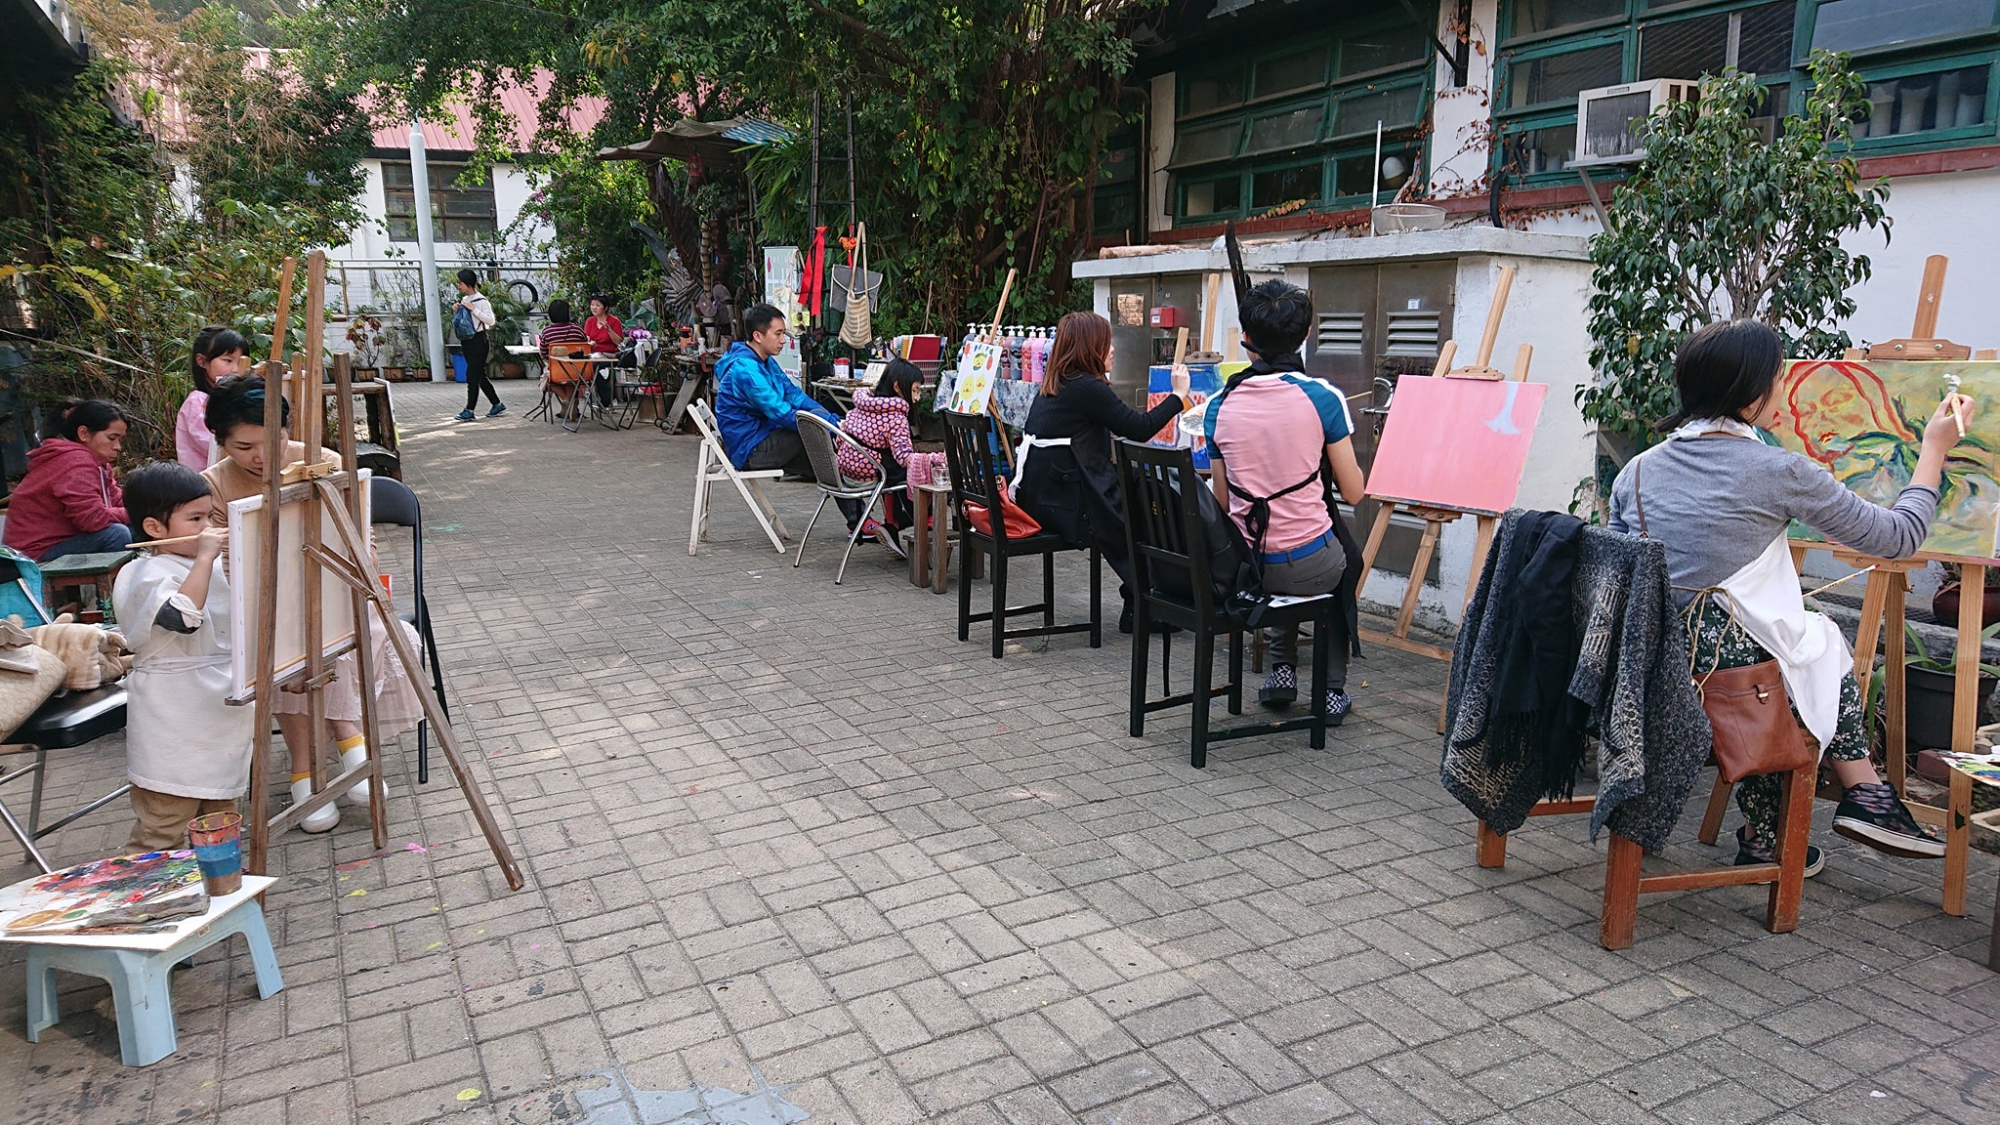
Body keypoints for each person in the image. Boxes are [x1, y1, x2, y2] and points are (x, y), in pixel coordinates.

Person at [1607, 319, 1965, 872]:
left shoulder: (1635, 471)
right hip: (1727, 681)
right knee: (1810, 646)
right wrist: (1934, 449)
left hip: (1644, 668)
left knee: (1795, 641)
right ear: (1751, 391)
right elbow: (1897, 538)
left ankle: (1797, 822)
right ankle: (1855, 797)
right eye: (1778, 376)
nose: (1784, 386)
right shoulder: (1779, 471)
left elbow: (1624, 574)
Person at [204, 376, 425, 833]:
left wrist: (347, 569)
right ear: (220, 441)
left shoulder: (323, 462)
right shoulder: (214, 485)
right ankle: (334, 751)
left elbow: (362, 545)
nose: (261, 456)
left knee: (331, 630)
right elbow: (228, 569)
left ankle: (317, 762)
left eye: (274, 440)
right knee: (281, 645)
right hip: (263, 606)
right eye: (244, 447)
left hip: (337, 592)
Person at [1204, 280, 1365, 722]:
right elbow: (1353, 492)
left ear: (1247, 338)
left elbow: (1222, 504)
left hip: (1246, 569)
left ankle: (1282, 672)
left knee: (1281, 546)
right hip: (1308, 567)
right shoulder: (1323, 398)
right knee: (1343, 559)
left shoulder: (1219, 405)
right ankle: (1331, 689)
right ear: (1306, 333)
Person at [1013, 311, 1188, 633]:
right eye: (1106, 343)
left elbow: (1119, 424)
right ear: (1089, 348)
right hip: (1064, 505)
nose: (1113, 349)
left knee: (1143, 494)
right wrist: (1178, 395)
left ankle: (1142, 602)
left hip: (1042, 496)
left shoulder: (1059, 382)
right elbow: (1139, 428)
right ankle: (1147, 603)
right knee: (1151, 506)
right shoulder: (1086, 387)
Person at [111, 463, 255, 850]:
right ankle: (145, 887)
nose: (207, 528)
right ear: (154, 528)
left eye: (209, 516)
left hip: (215, 710)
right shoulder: (143, 573)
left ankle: (218, 885)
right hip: (172, 716)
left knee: (220, 823)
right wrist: (206, 558)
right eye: (195, 519)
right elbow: (183, 618)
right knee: (164, 826)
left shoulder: (203, 564)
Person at [715, 303, 840, 478]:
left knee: (827, 452)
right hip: (749, 449)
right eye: (778, 334)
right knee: (815, 438)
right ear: (758, 336)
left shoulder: (765, 360)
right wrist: (829, 427)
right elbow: (781, 413)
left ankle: (843, 485)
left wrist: (827, 419)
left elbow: (793, 395)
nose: (783, 340)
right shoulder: (745, 370)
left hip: (764, 434)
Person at [3, 400, 132, 563]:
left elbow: (117, 499)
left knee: (143, 525)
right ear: (84, 434)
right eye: (111, 438)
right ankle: (118, 580)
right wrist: (135, 513)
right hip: (34, 554)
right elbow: (93, 519)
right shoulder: (75, 463)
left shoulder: (97, 464)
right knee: (116, 534)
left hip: (66, 541)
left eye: (120, 440)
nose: (118, 446)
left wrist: (150, 508)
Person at [837, 358, 923, 557]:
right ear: (897, 387)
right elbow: (903, 457)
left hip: (847, 473)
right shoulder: (896, 416)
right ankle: (909, 523)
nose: (917, 398)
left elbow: (841, 437)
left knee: (895, 469)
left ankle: (892, 526)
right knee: (918, 475)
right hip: (871, 475)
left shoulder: (859, 406)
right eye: (915, 390)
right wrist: (930, 461)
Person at [177, 325, 247, 472]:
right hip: (204, 482)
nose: (235, 369)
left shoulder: (227, 399)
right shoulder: (197, 403)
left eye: (241, 362)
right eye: (228, 360)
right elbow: (217, 447)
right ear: (202, 361)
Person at [453, 269, 505, 422]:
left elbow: (490, 321)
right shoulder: (465, 299)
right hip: (467, 340)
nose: (458, 285)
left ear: (468, 283)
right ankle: (497, 404)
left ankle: (469, 409)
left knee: (472, 376)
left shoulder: (481, 301)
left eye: (460, 282)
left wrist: (473, 309)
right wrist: (457, 310)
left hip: (479, 340)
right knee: (479, 375)